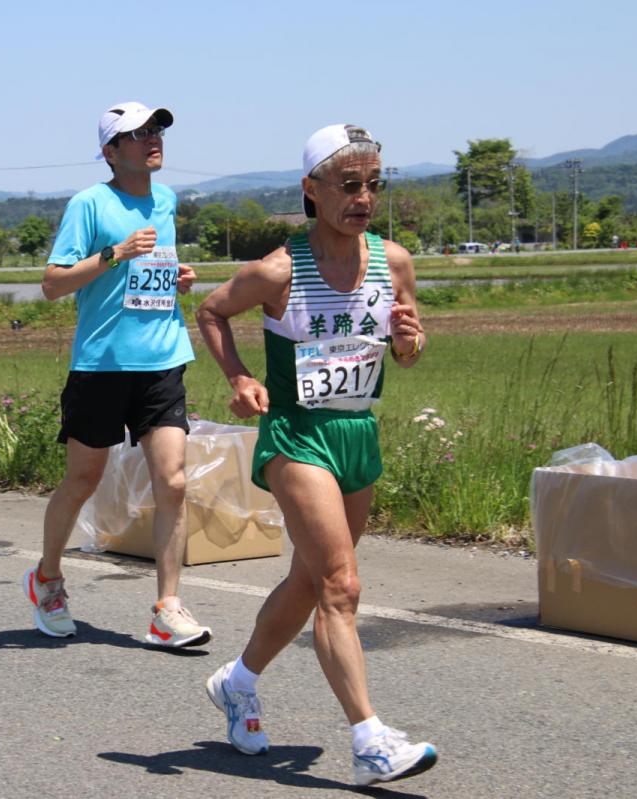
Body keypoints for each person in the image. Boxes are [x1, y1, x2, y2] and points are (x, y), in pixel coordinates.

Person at [195, 124, 437, 786]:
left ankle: (238, 681)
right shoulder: (279, 268)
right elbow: (212, 312)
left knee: (310, 580)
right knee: (341, 583)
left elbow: (407, 348)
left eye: (373, 184)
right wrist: (241, 378)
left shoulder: (395, 261)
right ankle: (370, 738)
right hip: (297, 435)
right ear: (311, 190)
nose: (363, 197)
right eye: (348, 184)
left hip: (355, 432)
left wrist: (410, 342)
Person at [22, 101, 210, 648]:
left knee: (173, 482)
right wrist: (117, 252)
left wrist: (175, 276)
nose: (153, 139)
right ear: (110, 151)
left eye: (157, 130)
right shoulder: (89, 204)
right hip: (101, 364)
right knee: (82, 479)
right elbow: (53, 284)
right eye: (138, 134)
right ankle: (49, 579)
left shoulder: (167, 199)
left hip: (162, 359)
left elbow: (154, 267)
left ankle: (166, 608)